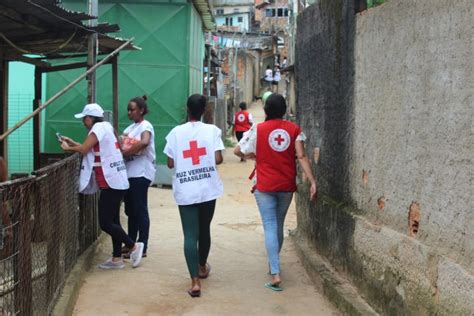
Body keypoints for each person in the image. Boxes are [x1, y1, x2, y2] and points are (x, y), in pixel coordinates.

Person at [233, 94, 317, 291]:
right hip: (286, 185)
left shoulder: (259, 129)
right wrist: (313, 181)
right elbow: (302, 156)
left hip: (265, 185)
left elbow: (237, 151)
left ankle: (275, 273)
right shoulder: (294, 129)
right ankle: (274, 263)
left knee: (270, 225)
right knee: (277, 225)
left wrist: (254, 156)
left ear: (265, 111)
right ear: (285, 110)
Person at [60, 103, 144, 269]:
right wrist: (72, 143)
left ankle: (133, 246)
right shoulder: (106, 126)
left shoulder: (97, 129)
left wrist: (67, 148)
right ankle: (116, 258)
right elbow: (90, 147)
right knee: (114, 221)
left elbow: (84, 149)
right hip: (117, 180)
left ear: (90, 118)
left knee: (105, 223)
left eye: (84, 119)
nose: (84, 122)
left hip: (110, 182)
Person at [164, 94, 224, 298]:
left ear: (187, 109)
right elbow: (218, 158)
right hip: (207, 188)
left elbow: (170, 163)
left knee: (190, 234)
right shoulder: (212, 131)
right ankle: (201, 266)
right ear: (204, 110)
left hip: (186, 189)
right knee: (204, 228)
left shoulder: (175, 133)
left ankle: (195, 282)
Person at [121, 96, 156, 259]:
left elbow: (144, 142)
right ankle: (131, 244)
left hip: (141, 173)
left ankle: (143, 244)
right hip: (129, 173)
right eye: (128, 109)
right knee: (131, 211)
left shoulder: (145, 125)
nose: (129, 112)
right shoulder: (129, 129)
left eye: (132, 109)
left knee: (140, 209)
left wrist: (126, 152)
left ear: (141, 110)